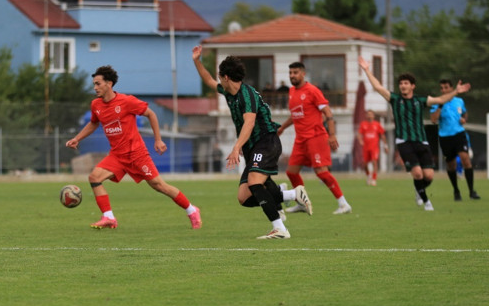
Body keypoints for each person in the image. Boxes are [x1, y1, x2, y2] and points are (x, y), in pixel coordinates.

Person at [192, 47, 311, 239]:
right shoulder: (229, 91)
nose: (219, 79)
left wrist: (236, 146)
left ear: (226, 77)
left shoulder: (246, 95)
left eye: (220, 76)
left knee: (255, 182)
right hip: (253, 147)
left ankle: (280, 228)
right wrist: (197, 60)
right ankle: (291, 195)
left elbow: (250, 122)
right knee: (244, 198)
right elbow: (208, 80)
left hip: (266, 142)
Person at [65, 65, 202, 230]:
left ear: (109, 83)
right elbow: (94, 123)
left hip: (136, 154)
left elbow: (151, 114)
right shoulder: (96, 105)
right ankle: (109, 217)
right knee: (94, 177)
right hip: (117, 155)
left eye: (98, 84)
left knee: (159, 186)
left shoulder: (127, 101)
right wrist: (77, 138)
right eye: (94, 84)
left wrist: (158, 140)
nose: (95, 88)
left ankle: (192, 210)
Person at [358, 56, 471, 211]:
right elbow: (378, 87)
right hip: (404, 142)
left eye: (406, 83)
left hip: (421, 141)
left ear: (412, 86)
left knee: (429, 176)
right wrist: (366, 70)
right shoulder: (395, 99)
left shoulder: (420, 100)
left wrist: (456, 92)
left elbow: (440, 99)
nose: (403, 86)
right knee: (417, 173)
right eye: (401, 83)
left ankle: (419, 190)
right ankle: (427, 202)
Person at [278, 61, 352, 215]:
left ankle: (344, 204)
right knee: (291, 172)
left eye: (295, 73)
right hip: (301, 140)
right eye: (290, 73)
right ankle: (302, 202)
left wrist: (331, 135)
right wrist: (283, 128)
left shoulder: (312, 91)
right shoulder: (291, 91)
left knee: (321, 172)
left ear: (303, 74)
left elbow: (328, 112)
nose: (292, 76)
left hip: (316, 137)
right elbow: (295, 115)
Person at [430, 79, 480, 201]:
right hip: (445, 137)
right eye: (442, 88)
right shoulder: (437, 102)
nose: (444, 90)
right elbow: (433, 119)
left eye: (446, 87)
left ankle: (471, 191)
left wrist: (464, 119)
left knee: (465, 160)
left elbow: (464, 113)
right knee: (451, 165)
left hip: (459, 134)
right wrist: (441, 104)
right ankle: (456, 191)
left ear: (451, 88)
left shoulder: (459, 101)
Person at [357, 110, 388, 186]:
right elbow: (359, 134)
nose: (370, 116)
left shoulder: (377, 124)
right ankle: (368, 176)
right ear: (366, 116)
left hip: (374, 148)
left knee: (374, 162)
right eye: (368, 114)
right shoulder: (363, 124)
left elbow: (382, 135)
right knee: (365, 164)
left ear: (373, 116)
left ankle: (374, 179)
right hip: (366, 148)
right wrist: (360, 140)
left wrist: (385, 145)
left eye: (371, 114)